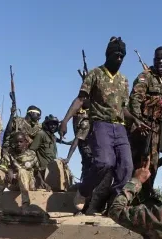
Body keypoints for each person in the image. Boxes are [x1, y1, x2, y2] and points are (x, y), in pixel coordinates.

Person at [59, 37, 143, 215]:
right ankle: (83, 191)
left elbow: (123, 108)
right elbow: (81, 99)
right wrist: (65, 120)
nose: (119, 59)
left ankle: (114, 202)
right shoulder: (95, 74)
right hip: (101, 125)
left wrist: (135, 119)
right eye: (116, 55)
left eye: (122, 56)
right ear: (108, 55)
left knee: (127, 167)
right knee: (104, 162)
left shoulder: (124, 80)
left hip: (120, 128)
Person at [128, 46, 162, 198]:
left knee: (153, 163)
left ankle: (146, 194)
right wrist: (138, 121)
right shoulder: (145, 77)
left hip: (159, 129)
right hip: (144, 127)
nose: (161, 61)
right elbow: (135, 99)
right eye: (158, 58)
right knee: (139, 161)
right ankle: (133, 196)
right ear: (154, 60)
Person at [0, 132, 38, 215]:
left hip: (27, 183)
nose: (18, 144)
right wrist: (8, 170)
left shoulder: (31, 154)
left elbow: (33, 169)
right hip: (13, 182)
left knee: (22, 171)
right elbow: (2, 166)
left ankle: (25, 205)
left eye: (21, 142)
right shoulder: (9, 153)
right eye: (16, 142)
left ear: (26, 143)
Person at [29, 114, 60, 186]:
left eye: (55, 124)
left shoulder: (53, 137)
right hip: (42, 170)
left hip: (51, 170)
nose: (53, 126)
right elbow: (32, 151)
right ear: (46, 125)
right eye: (51, 124)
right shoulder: (41, 134)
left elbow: (62, 141)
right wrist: (36, 168)